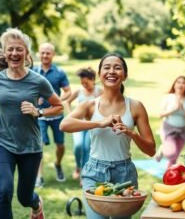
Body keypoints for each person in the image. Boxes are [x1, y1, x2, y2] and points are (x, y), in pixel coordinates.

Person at [60, 53, 156, 219]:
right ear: (99, 75)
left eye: (117, 68)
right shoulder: (90, 105)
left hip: (124, 175)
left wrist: (130, 132)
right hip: (95, 173)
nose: (112, 71)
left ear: (124, 76)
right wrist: (99, 123)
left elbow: (151, 150)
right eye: (107, 67)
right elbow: (65, 125)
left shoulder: (135, 106)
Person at [0, 28, 63, 219]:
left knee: (24, 197)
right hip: (4, 143)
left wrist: (39, 111)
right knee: (4, 191)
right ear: (4, 52)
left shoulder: (38, 81)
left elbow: (59, 106)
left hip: (31, 147)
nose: (14, 53)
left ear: (26, 53)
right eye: (10, 49)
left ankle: (36, 205)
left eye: (19, 49)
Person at [33, 43, 72, 186]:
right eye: (42, 53)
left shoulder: (60, 72)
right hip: (39, 115)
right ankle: (39, 176)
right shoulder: (33, 71)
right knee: (39, 145)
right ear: (38, 54)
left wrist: (57, 101)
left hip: (57, 115)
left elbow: (68, 92)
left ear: (53, 54)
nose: (44, 55)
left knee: (60, 145)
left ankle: (58, 164)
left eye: (48, 53)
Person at [65, 67, 103, 180]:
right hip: (78, 124)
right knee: (78, 146)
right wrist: (70, 114)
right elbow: (67, 102)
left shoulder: (99, 91)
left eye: (86, 83)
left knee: (87, 148)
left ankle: (84, 174)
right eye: (82, 83)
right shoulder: (79, 91)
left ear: (92, 79)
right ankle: (78, 167)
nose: (84, 85)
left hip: (92, 125)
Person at [156, 75, 185, 168]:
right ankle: (163, 148)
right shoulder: (168, 97)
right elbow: (160, 114)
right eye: (178, 82)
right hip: (168, 129)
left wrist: (183, 110)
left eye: (183, 83)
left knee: (174, 158)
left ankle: (169, 177)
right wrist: (174, 109)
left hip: (182, 131)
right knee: (171, 153)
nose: (180, 84)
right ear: (174, 85)